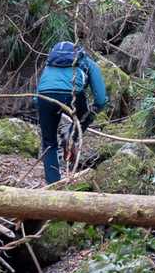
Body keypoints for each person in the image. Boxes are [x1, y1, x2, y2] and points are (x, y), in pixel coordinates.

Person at [34, 40, 108, 184]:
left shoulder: (49, 64)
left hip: (44, 96)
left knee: (49, 143)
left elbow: (36, 98)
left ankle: (53, 184)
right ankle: (72, 136)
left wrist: (47, 111)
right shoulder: (87, 62)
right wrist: (94, 111)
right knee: (85, 113)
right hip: (72, 94)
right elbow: (100, 99)